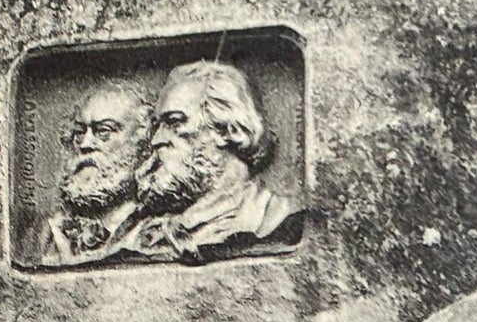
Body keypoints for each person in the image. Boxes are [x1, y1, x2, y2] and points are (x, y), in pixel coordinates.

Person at [125, 60, 302, 262]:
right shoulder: (145, 235)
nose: (157, 140)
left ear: (227, 130)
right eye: (158, 127)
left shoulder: (276, 218)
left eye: (174, 122)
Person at [40, 79, 151, 266]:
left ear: (143, 143)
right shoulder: (49, 232)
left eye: (103, 131)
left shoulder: (155, 231)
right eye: (79, 132)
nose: (85, 144)